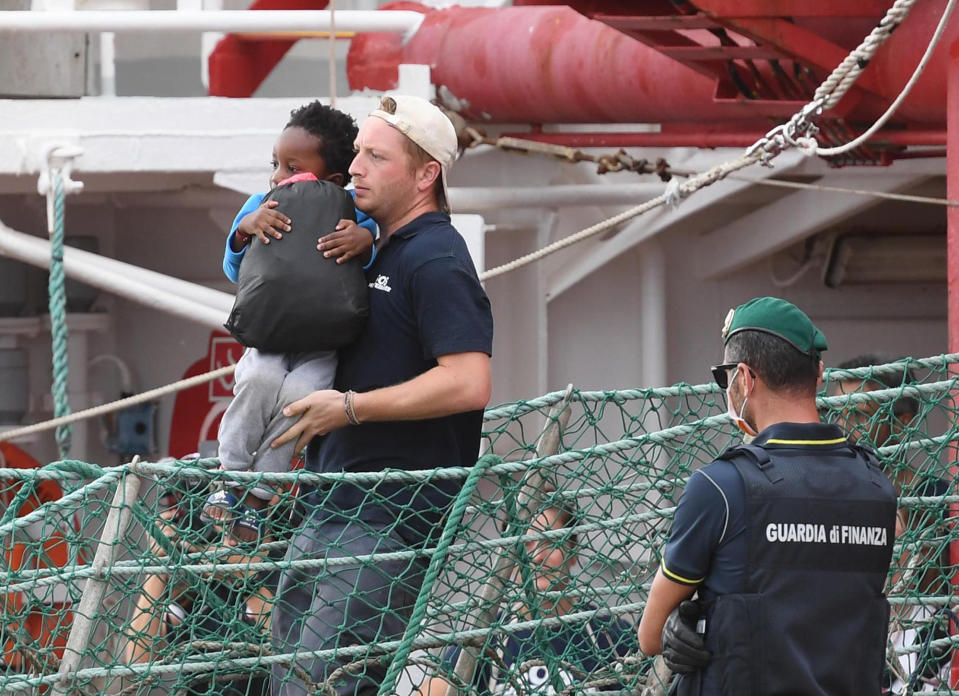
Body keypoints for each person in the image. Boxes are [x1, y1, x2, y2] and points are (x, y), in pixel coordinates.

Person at [268, 95, 494, 696]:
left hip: (385, 522)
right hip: (327, 509)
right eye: (358, 152)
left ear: (427, 175)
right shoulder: (376, 246)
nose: (356, 165)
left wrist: (348, 407)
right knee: (289, 683)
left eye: (375, 155)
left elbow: (469, 380)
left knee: (316, 687)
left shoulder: (436, 257)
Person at [637, 296, 898, 696]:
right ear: (819, 374)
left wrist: (689, 617)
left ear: (744, 377)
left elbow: (650, 636)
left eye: (726, 378)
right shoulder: (875, 484)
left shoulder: (720, 487)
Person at [209, 101, 378, 540]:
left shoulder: (354, 212)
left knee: (302, 398)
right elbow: (234, 270)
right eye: (275, 164)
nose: (276, 177)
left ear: (333, 180)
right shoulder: (260, 204)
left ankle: (261, 495)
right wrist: (246, 229)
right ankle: (229, 477)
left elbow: (371, 263)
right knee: (259, 382)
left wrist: (366, 241)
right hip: (269, 336)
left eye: (290, 167)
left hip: (323, 342)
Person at [417, 502, 637, 696]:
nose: (537, 556)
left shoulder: (609, 635)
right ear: (510, 562)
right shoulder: (490, 638)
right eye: (526, 545)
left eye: (550, 541)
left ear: (573, 552)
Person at [829, 354, 951, 694]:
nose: (843, 426)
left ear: (904, 422)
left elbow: (931, 594)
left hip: (922, 661)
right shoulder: (826, 499)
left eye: (859, 414)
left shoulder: (936, 500)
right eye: (837, 412)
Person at [125, 469, 280, 696]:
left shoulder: (292, 560)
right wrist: (159, 567)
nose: (225, 508)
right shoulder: (196, 579)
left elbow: (294, 646)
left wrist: (243, 579)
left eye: (237, 492)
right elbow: (138, 660)